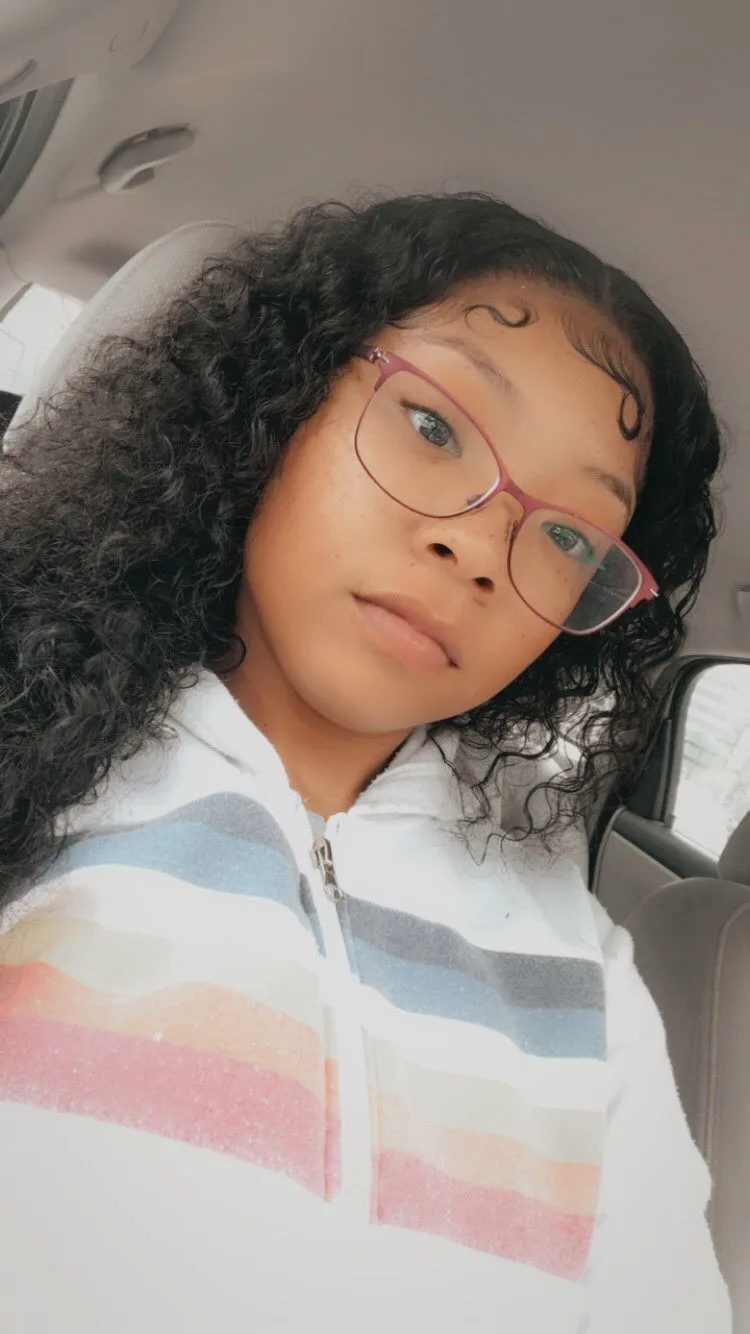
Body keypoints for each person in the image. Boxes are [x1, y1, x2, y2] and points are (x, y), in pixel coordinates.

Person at [0, 194, 732, 1333]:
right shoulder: (26, 766)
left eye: (569, 534)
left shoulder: (581, 983)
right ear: (278, 396)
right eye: (434, 425)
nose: (478, 546)